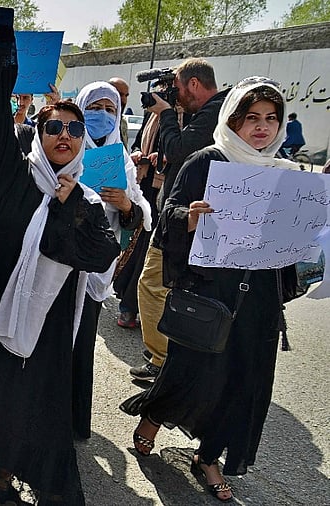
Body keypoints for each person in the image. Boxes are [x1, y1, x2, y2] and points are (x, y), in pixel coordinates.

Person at [0, 20, 119, 506]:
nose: (65, 135)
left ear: (84, 139)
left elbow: (102, 254)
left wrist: (68, 208)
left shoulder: (83, 196)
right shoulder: (15, 174)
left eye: (74, 128)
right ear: (38, 134)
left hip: (49, 324)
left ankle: (5, 480)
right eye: (54, 127)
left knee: (31, 407)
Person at [121, 77, 299, 503]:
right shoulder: (207, 160)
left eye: (271, 119)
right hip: (210, 290)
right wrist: (190, 218)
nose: (262, 128)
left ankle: (208, 456)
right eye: (251, 118)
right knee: (192, 371)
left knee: (243, 381)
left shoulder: (285, 173)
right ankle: (156, 413)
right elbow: (167, 219)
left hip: (258, 298)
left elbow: (295, 238)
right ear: (232, 119)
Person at [131, 58, 228, 382]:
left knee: (152, 285)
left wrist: (167, 114)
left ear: (195, 84)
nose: (176, 94)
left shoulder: (214, 112)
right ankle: (172, 357)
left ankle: (163, 361)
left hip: (185, 219)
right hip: (186, 216)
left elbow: (179, 149)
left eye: (178, 88)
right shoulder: (213, 113)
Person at [71, 82, 151, 440]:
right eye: (94, 107)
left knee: (81, 342)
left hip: (96, 266)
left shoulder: (120, 159)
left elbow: (138, 217)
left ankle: (72, 420)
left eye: (109, 109)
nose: (101, 115)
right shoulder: (61, 144)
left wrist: (125, 204)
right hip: (59, 261)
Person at [107, 77, 130, 147]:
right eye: (120, 94)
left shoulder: (122, 122)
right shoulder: (99, 121)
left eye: (126, 95)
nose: (124, 100)